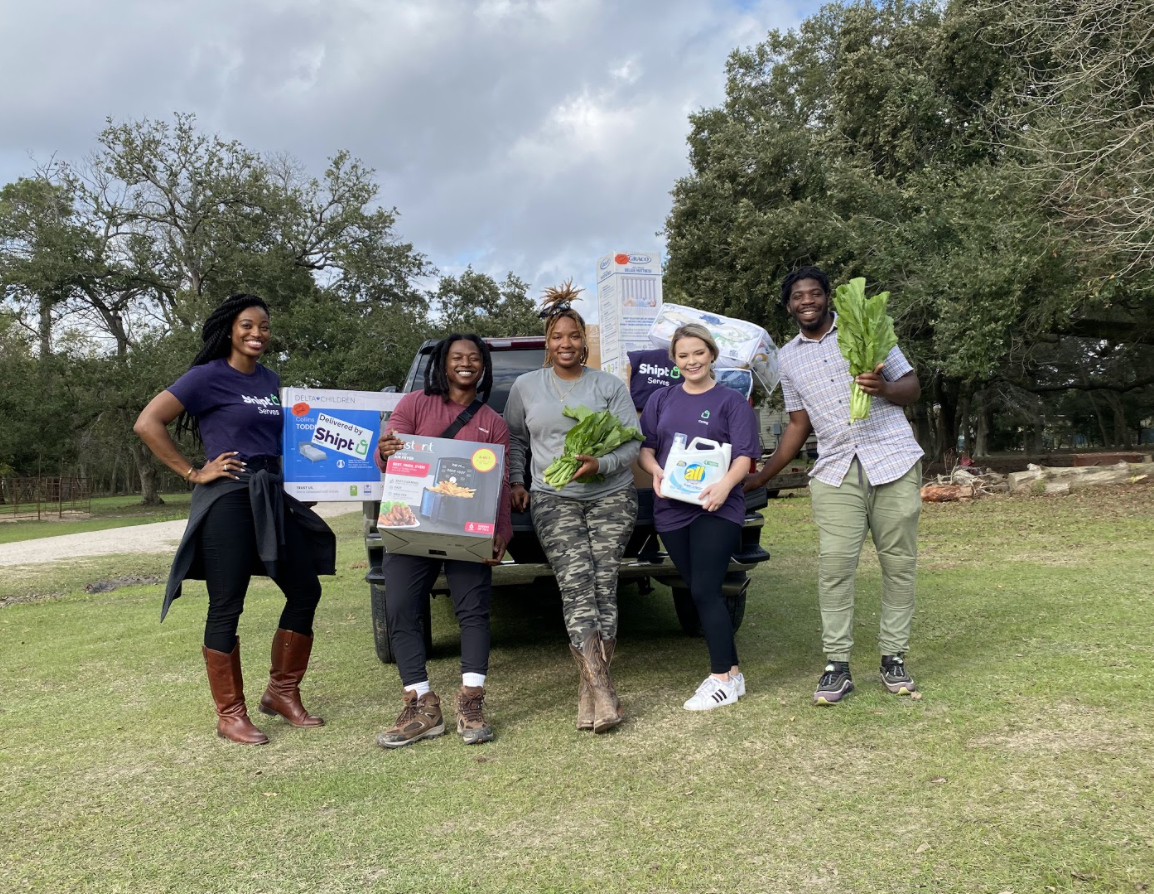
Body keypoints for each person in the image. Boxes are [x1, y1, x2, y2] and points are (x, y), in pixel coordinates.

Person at [134, 294, 336, 745]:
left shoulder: (270, 380)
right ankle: (230, 714)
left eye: (264, 327)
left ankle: (281, 693)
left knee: (305, 588)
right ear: (230, 329)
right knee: (227, 603)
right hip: (227, 497)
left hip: (272, 495)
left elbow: (283, 440)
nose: (257, 334)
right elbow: (148, 422)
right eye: (248, 326)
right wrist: (193, 471)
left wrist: (305, 485)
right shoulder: (206, 377)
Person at [745, 266, 924, 705]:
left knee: (899, 564)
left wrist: (882, 388)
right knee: (835, 568)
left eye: (815, 293)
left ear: (828, 298)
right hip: (836, 469)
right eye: (798, 296)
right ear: (789, 306)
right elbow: (797, 425)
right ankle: (836, 666)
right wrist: (762, 477)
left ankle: (893, 658)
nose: (807, 301)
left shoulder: (869, 331)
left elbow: (913, 387)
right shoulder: (787, 358)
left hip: (893, 459)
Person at [505, 281, 639, 733]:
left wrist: (600, 462)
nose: (566, 344)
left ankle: (591, 692)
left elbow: (632, 444)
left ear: (585, 341)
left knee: (604, 585)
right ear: (547, 342)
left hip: (611, 496)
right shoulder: (525, 386)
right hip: (553, 498)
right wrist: (518, 481)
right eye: (558, 336)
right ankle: (603, 689)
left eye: (575, 336)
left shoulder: (608, 386)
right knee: (576, 584)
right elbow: (516, 440)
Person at [373, 333, 511, 748]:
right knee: (400, 607)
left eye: (474, 358)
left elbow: (500, 484)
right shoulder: (414, 404)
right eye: (457, 357)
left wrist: (500, 531)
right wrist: (385, 449)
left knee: (473, 611)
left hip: (466, 533)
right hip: (412, 524)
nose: (466, 363)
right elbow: (386, 457)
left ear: (483, 366)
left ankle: (471, 701)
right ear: (443, 365)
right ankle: (421, 704)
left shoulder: (495, 422)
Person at [638, 324, 760, 711]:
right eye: (683, 355)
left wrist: (725, 486)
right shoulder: (661, 399)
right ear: (674, 360)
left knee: (706, 590)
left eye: (698, 353)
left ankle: (721, 678)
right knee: (699, 590)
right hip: (671, 510)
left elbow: (744, 456)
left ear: (711, 355)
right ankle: (734, 674)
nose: (691, 361)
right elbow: (646, 447)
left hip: (716, 509)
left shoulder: (731, 402)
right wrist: (654, 471)